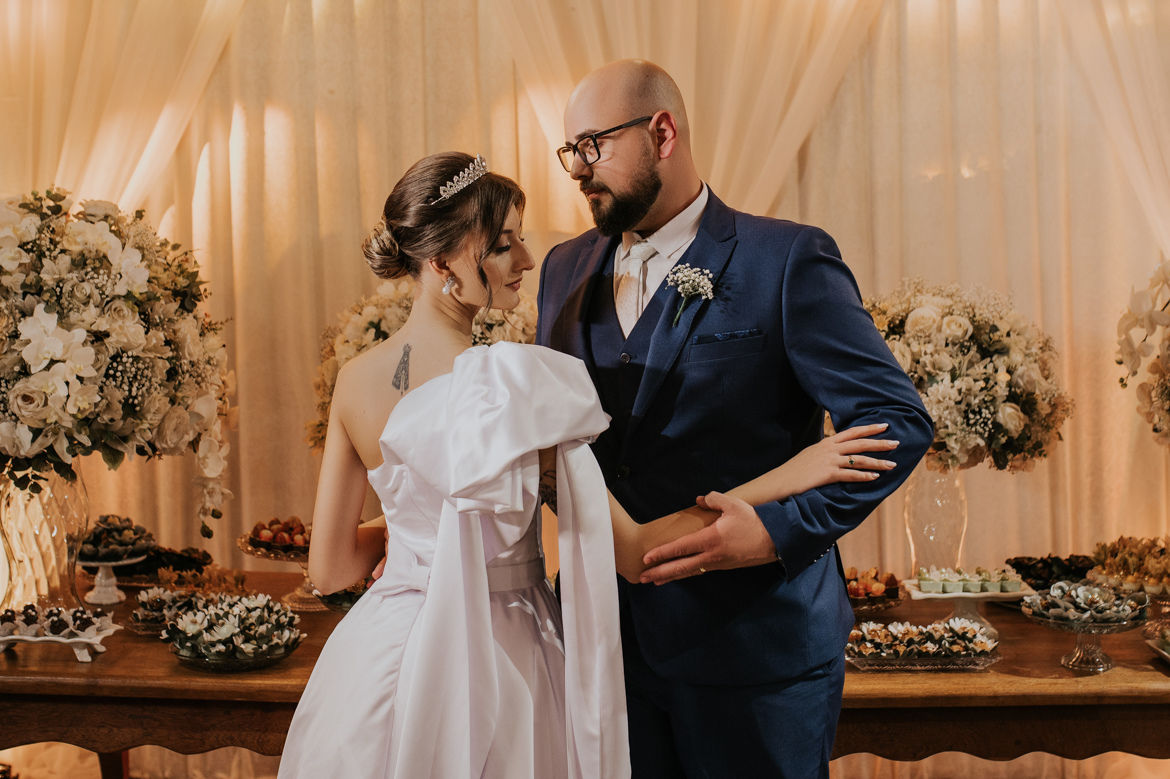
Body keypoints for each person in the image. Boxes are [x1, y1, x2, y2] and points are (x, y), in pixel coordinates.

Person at [277, 152, 908, 779]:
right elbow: (635, 553)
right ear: (443, 263)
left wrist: (423, 536)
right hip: (499, 659)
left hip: (383, 656)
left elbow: (331, 569)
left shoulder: (354, 380)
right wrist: (800, 468)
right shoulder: (510, 386)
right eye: (503, 245)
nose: (528, 260)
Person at [536, 60, 934, 778]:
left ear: (663, 133)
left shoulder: (786, 258)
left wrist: (776, 531)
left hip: (758, 656)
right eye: (572, 151)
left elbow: (896, 420)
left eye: (593, 145)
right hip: (604, 649)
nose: (579, 170)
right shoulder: (562, 269)